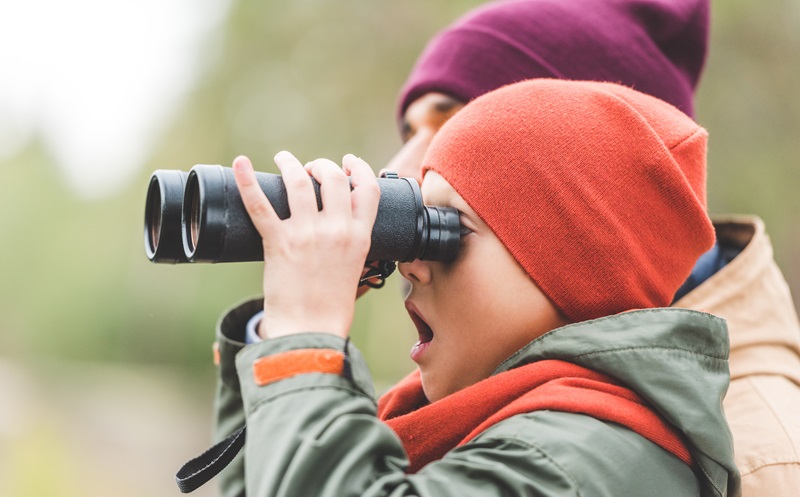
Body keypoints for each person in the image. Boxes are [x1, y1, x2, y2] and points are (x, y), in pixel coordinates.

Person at [209, 79, 739, 496]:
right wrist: (276, 337)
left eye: (448, 229)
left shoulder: (582, 460)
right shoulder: (466, 421)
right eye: (418, 218)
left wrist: (305, 339)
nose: (411, 263)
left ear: (569, 268)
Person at [382, 1, 800, 495]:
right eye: (411, 133)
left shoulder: (761, 450)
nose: (399, 168)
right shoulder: (485, 373)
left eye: (453, 124)